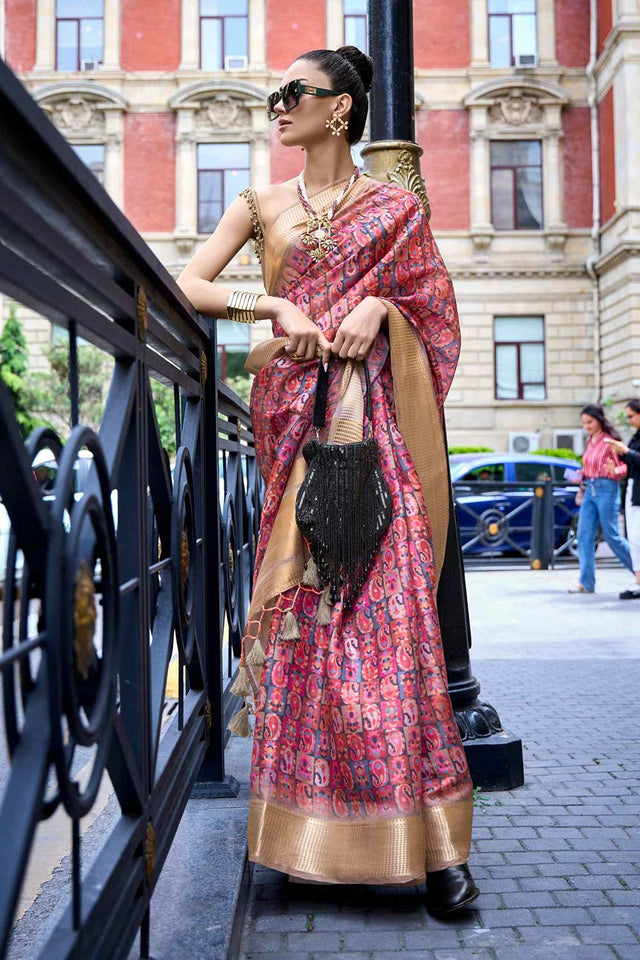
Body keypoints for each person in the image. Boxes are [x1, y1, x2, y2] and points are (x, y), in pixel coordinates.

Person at [177, 45, 478, 916]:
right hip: (292, 427)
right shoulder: (260, 203)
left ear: (339, 108)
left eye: (292, 95)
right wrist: (269, 305)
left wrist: (381, 307)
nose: (277, 107)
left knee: (395, 629)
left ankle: (432, 850)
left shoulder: (395, 208)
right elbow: (187, 280)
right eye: (276, 96)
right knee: (306, 623)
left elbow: (436, 314)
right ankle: (298, 838)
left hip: (376, 434)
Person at [569, 403, 634, 594]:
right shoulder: (591, 439)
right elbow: (591, 466)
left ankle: (638, 573)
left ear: (599, 420)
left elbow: (625, 468)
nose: (586, 426)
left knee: (612, 536)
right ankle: (586, 582)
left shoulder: (610, 441)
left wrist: (615, 471)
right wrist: (581, 473)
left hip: (608, 489)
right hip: (590, 489)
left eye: (590, 422)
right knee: (583, 536)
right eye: (584, 423)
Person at [603, 398, 640, 599]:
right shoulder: (636, 435)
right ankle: (638, 580)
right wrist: (620, 460)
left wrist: (626, 452)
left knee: (636, 538)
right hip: (633, 489)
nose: (629, 420)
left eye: (631, 416)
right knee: (633, 539)